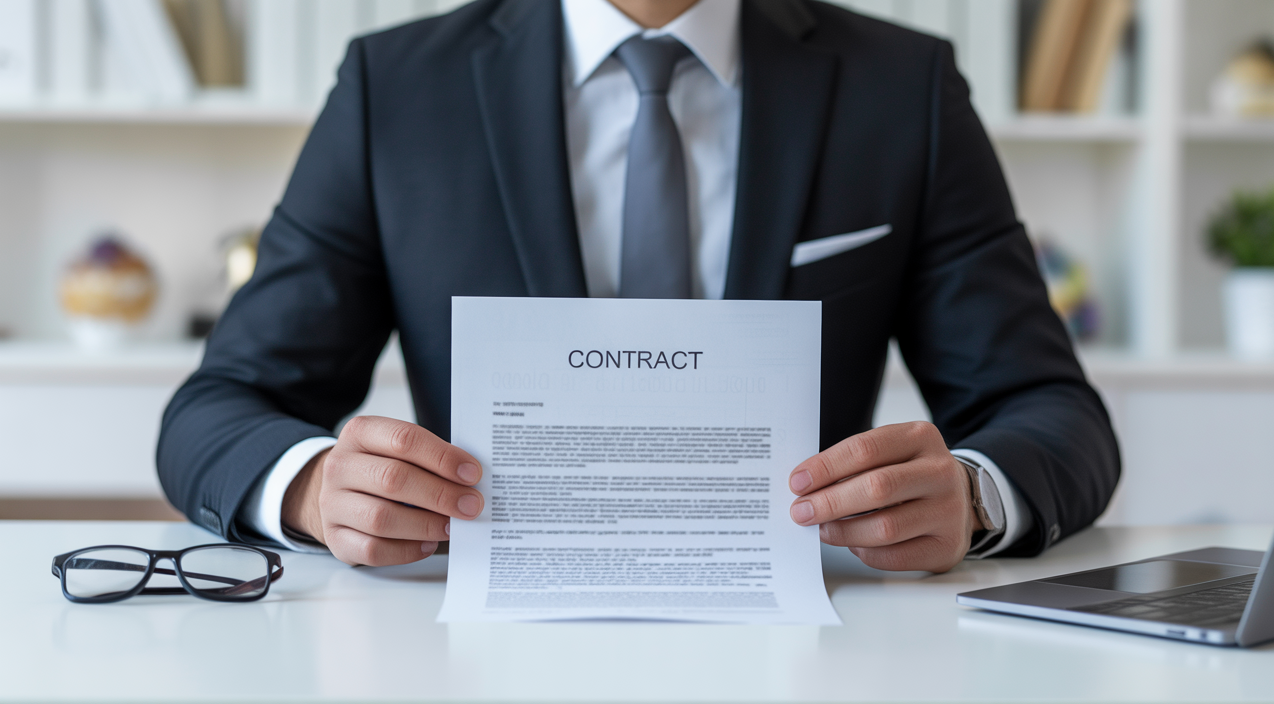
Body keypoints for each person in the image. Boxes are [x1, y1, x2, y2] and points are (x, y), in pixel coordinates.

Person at [158, 0, 1121, 574]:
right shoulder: (398, 88)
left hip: (816, 631)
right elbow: (219, 409)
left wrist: (973, 496)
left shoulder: (900, 86)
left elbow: (1052, 412)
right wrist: (314, 488)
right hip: (474, 640)